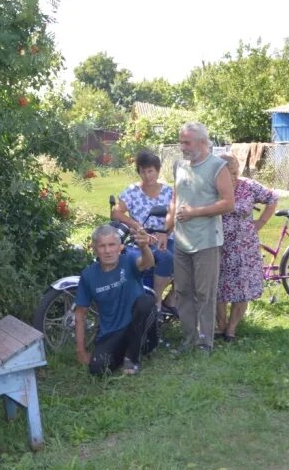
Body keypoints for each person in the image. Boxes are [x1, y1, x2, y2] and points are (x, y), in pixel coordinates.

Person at [170, 122, 235, 353]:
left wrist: (194, 212)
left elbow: (228, 203)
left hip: (206, 242)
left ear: (202, 143)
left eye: (186, 142)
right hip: (181, 240)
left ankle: (205, 342)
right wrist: (166, 229)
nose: (182, 146)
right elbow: (175, 199)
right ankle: (188, 339)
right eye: (181, 141)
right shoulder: (179, 165)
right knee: (183, 291)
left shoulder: (217, 167)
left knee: (205, 293)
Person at [74, 224, 157, 375]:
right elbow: (80, 314)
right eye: (102, 246)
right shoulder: (88, 275)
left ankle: (132, 358)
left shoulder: (129, 260)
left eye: (112, 245)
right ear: (94, 249)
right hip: (112, 334)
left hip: (138, 327)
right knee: (97, 369)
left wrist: (144, 247)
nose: (107, 251)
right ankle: (124, 355)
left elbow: (148, 263)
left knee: (146, 302)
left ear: (120, 247)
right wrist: (81, 351)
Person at [215, 154, 278, 341]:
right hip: (219, 243)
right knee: (219, 285)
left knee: (243, 286)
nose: (233, 177)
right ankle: (221, 324)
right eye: (229, 174)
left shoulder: (248, 186)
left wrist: (261, 221)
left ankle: (232, 328)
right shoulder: (213, 188)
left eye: (235, 173)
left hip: (245, 246)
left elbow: (273, 198)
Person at [113, 150, 175, 311]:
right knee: (165, 257)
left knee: (187, 265)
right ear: (138, 172)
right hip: (141, 237)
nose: (147, 176)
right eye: (143, 171)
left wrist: (165, 233)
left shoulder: (169, 192)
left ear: (158, 170)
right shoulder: (132, 191)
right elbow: (117, 212)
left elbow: (174, 217)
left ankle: (170, 300)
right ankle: (156, 302)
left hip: (166, 236)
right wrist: (136, 226)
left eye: (150, 171)